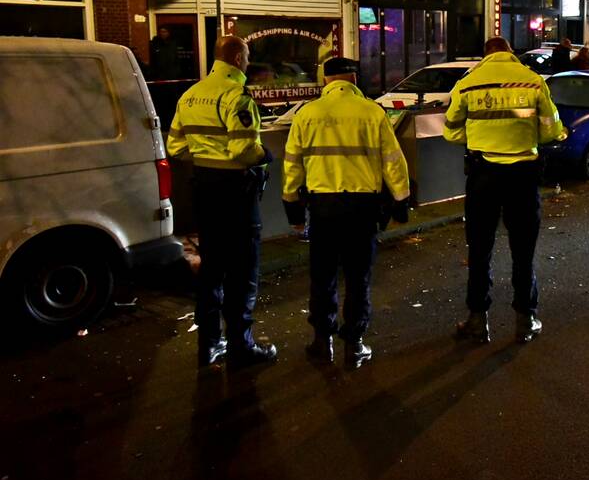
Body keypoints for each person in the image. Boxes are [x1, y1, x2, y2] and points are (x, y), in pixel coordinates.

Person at [281, 57, 411, 367]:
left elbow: (292, 166)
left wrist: (293, 211)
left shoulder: (306, 114)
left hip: (323, 207)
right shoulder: (372, 112)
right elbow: (394, 161)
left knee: (322, 275)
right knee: (357, 276)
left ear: (326, 80)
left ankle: (321, 341)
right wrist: (401, 202)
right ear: (353, 78)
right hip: (361, 208)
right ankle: (354, 344)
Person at [443, 37, 566, 343]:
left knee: (480, 250)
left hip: (483, 174)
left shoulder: (468, 84)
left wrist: (476, 140)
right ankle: (526, 320)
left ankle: (477, 320)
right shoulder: (533, 82)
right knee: (523, 252)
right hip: (523, 176)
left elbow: (450, 129)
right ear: (511, 54)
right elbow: (551, 129)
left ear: (486, 55)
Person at [167, 35, 277, 369]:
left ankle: (209, 344)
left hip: (205, 190)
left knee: (212, 269)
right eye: (246, 57)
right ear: (238, 57)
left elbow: (176, 147)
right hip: (236, 194)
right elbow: (243, 150)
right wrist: (265, 155)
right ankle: (242, 346)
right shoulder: (235, 96)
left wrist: (206, 158)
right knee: (243, 270)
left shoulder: (190, 95)